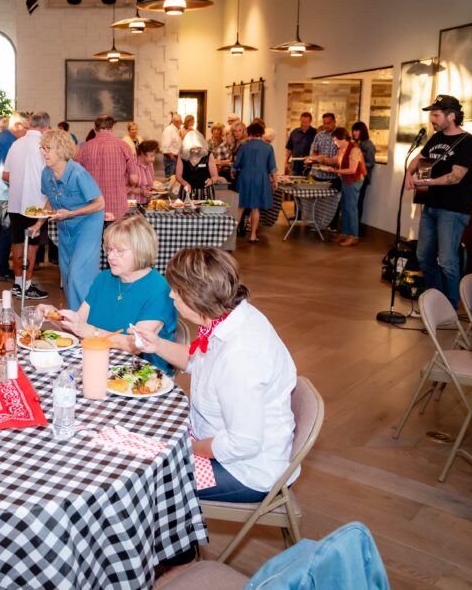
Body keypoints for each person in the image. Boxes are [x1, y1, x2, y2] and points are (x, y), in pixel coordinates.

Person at [131, 247, 298, 503]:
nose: (170, 295)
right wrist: (157, 345)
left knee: (144, 483)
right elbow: (200, 363)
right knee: (138, 437)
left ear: (196, 296)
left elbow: (243, 444)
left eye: (176, 290)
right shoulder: (226, 319)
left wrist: (188, 449)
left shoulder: (240, 354)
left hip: (245, 469)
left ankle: (172, 539)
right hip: (213, 438)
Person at [47, 215, 177, 373]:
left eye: (120, 251)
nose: (110, 256)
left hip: (142, 375)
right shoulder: (104, 278)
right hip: (99, 363)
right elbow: (78, 324)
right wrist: (53, 315)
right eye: (109, 249)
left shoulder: (159, 290)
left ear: (140, 250)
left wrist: (92, 332)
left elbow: (134, 345)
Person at [405, 94, 472, 309]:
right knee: (423, 256)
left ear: (452, 116)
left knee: (447, 261)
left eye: (436, 115)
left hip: (453, 210)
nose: (433, 120)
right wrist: (409, 174)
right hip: (431, 206)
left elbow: (456, 176)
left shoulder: (467, 142)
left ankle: (450, 305)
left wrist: (428, 181)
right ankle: (433, 302)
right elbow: (418, 159)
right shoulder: (436, 138)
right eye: (432, 115)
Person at [29, 129, 105, 310]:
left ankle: (87, 319)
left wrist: (70, 213)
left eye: (48, 148)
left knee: (79, 274)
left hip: (88, 225)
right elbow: (50, 199)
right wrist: (39, 223)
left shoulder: (78, 173)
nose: (43, 152)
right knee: (67, 273)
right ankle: (74, 316)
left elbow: (100, 203)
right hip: (66, 227)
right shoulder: (46, 174)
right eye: (42, 148)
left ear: (61, 150)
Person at [4, 111, 50, 299]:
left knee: (17, 243)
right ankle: (27, 286)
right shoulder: (44, 146)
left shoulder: (16, 144)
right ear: (46, 127)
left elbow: (5, 175)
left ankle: (17, 284)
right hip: (36, 204)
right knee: (31, 245)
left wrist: (19, 183)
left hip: (15, 202)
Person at [75, 114, 138, 223]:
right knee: (115, 239)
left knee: (95, 239)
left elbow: (75, 177)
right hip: (117, 207)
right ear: (113, 127)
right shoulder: (123, 146)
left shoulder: (84, 147)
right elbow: (134, 179)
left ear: (95, 129)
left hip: (92, 207)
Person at [321, 127, 366, 247]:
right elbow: (334, 160)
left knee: (351, 208)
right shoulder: (342, 149)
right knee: (344, 207)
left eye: (335, 140)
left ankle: (354, 236)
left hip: (354, 181)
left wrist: (335, 171)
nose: (334, 142)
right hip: (346, 180)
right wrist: (321, 159)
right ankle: (345, 233)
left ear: (343, 138)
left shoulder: (354, 150)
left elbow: (352, 170)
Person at [234, 122, 277, 243]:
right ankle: (253, 235)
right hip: (260, 179)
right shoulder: (268, 147)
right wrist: (275, 180)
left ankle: (231, 236)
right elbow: (272, 167)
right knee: (255, 208)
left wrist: (233, 170)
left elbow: (237, 164)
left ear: (249, 133)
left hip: (244, 179)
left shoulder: (244, 146)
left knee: (240, 207)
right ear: (261, 133)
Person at [0, 114, 21, 282]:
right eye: (24, 128)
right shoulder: (9, 141)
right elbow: (6, 172)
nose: (25, 132)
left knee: (1, 232)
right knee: (6, 233)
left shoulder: (1, 136)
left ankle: (0, 266)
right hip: (5, 193)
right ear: (16, 126)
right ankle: (0, 269)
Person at [176, 130, 220, 198]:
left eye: (198, 148)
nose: (196, 151)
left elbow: (215, 176)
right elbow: (178, 176)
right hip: (187, 191)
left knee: (206, 209)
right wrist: (185, 184)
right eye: (193, 148)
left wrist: (211, 181)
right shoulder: (182, 155)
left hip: (205, 192)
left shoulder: (208, 155)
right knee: (187, 209)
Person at [352, 121, 376, 228]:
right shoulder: (354, 143)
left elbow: (370, 163)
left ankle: (356, 228)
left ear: (362, 131)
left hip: (362, 177)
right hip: (352, 176)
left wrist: (358, 163)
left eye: (357, 130)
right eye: (353, 130)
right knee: (351, 203)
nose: (354, 133)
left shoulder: (368, 145)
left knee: (358, 203)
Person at [129, 139, 160, 205]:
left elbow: (150, 183)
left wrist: (152, 190)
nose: (153, 159)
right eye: (151, 156)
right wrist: (141, 191)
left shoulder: (150, 164)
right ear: (142, 153)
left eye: (154, 156)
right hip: (132, 204)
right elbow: (123, 187)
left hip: (146, 202)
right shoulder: (131, 164)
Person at [160, 112, 182, 177]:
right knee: (170, 178)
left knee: (174, 178)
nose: (182, 123)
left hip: (175, 157)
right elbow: (165, 145)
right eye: (181, 121)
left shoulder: (175, 130)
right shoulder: (169, 130)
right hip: (170, 158)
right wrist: (172, 157)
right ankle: (168, 187)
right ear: (177, 122)